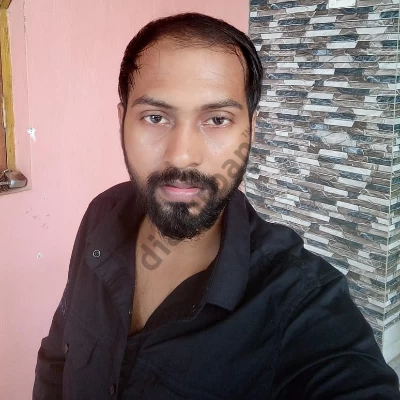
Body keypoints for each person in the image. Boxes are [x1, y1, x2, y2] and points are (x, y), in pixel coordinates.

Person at [33, 12, 400, 400]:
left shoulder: (300, 304)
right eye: (155, 117)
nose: (182, 155)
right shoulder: (102, 214)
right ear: (123, 120)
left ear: (251, 130)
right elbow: (57, 358)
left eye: (218, 120)